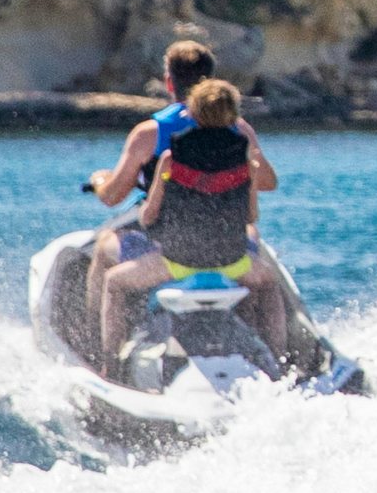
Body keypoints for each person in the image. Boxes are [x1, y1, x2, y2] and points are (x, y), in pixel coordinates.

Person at [83, 39, 314, 358]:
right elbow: (266, 184)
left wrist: (100, 181)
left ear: (169, 82)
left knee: (105, 248)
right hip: (229, 254)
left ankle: (101, 355)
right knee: (254, 242)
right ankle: (279, 358)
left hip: (173, 255)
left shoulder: (152, 135)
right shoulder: (239, 132)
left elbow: (114, 197)